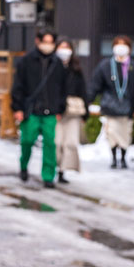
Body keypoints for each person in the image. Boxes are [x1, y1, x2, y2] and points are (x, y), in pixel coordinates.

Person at [10, 29, 65, 188]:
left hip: (51, 111)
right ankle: (23, 165)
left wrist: (60, 108)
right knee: (27, 140)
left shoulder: (57, 63)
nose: (48, 45)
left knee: (50, 143)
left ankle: (48, 176)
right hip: (31, 109)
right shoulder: (26, 61)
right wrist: (18, 107)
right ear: (38, 41)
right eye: (45, 42)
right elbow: (18, 86)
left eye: (51, 42)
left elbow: (62, 87)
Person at [91, 34, 134, 169]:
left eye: (124, 44)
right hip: (109, 107)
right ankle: (113, 157)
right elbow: (95, 85)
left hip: (127, 107)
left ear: (129, 48)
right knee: (111, 133)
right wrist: (89, 100)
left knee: (125, 134)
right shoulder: (105, 65)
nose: (121, 47)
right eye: (118, 44)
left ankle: (123, 157)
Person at [54, 38, 87, 183]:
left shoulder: (76, 69)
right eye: (61, 47)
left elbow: (83, 90)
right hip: (55, 111)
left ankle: (63, 170)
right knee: (57, 142)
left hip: (73, 111)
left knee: (71, 143)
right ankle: (53, 167)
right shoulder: (51, 66)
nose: (64, 50)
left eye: (67, 47)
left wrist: (86, 112)